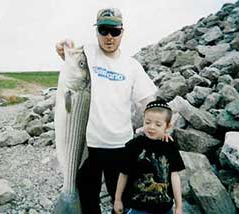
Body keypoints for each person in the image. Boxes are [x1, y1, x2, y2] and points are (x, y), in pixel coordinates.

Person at [55, 8, 158, 214]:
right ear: (97, 31)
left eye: (115, 31)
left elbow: (147, 99)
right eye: (103, 30)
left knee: (121, 202)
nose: (109, 37)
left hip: (121, 146)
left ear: (122, 32)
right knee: (87, 201)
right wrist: (63, 47)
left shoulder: (132, 66)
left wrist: (155, 124)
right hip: (86, 147)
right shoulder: (88, 54)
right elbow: (69, 55)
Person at [114, 99, 185, 214]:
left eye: (158, 124)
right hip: (136, 208)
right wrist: (117, 199)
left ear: (167, 126)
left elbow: (175, 176)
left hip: (164, 208)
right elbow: (123, 174)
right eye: (147, 122)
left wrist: (179, 206)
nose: (151, 127)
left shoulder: (170, 147)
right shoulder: (133, 146)